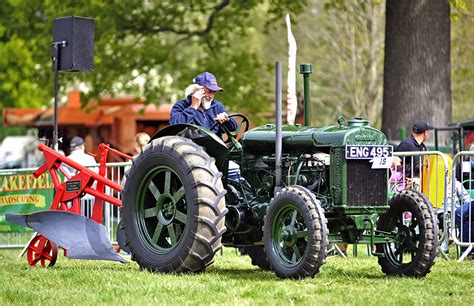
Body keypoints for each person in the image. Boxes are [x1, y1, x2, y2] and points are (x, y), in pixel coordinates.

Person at [169, 71, 238, 138]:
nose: (211, 96)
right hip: (191, 146)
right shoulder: (181, 105)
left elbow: (234, 127)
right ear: (196, 90)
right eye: (209, 91)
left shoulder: (217, 106)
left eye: (214, 92)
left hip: (215, 146)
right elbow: (174, 127)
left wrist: (227, 119)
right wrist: (193, 107)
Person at [394, 120, 432, 185]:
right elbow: (395, 162)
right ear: (426, 133)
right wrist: (404, 179)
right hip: (406, 187)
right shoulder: (406, 144)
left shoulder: (422, 147)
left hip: (418, 184)